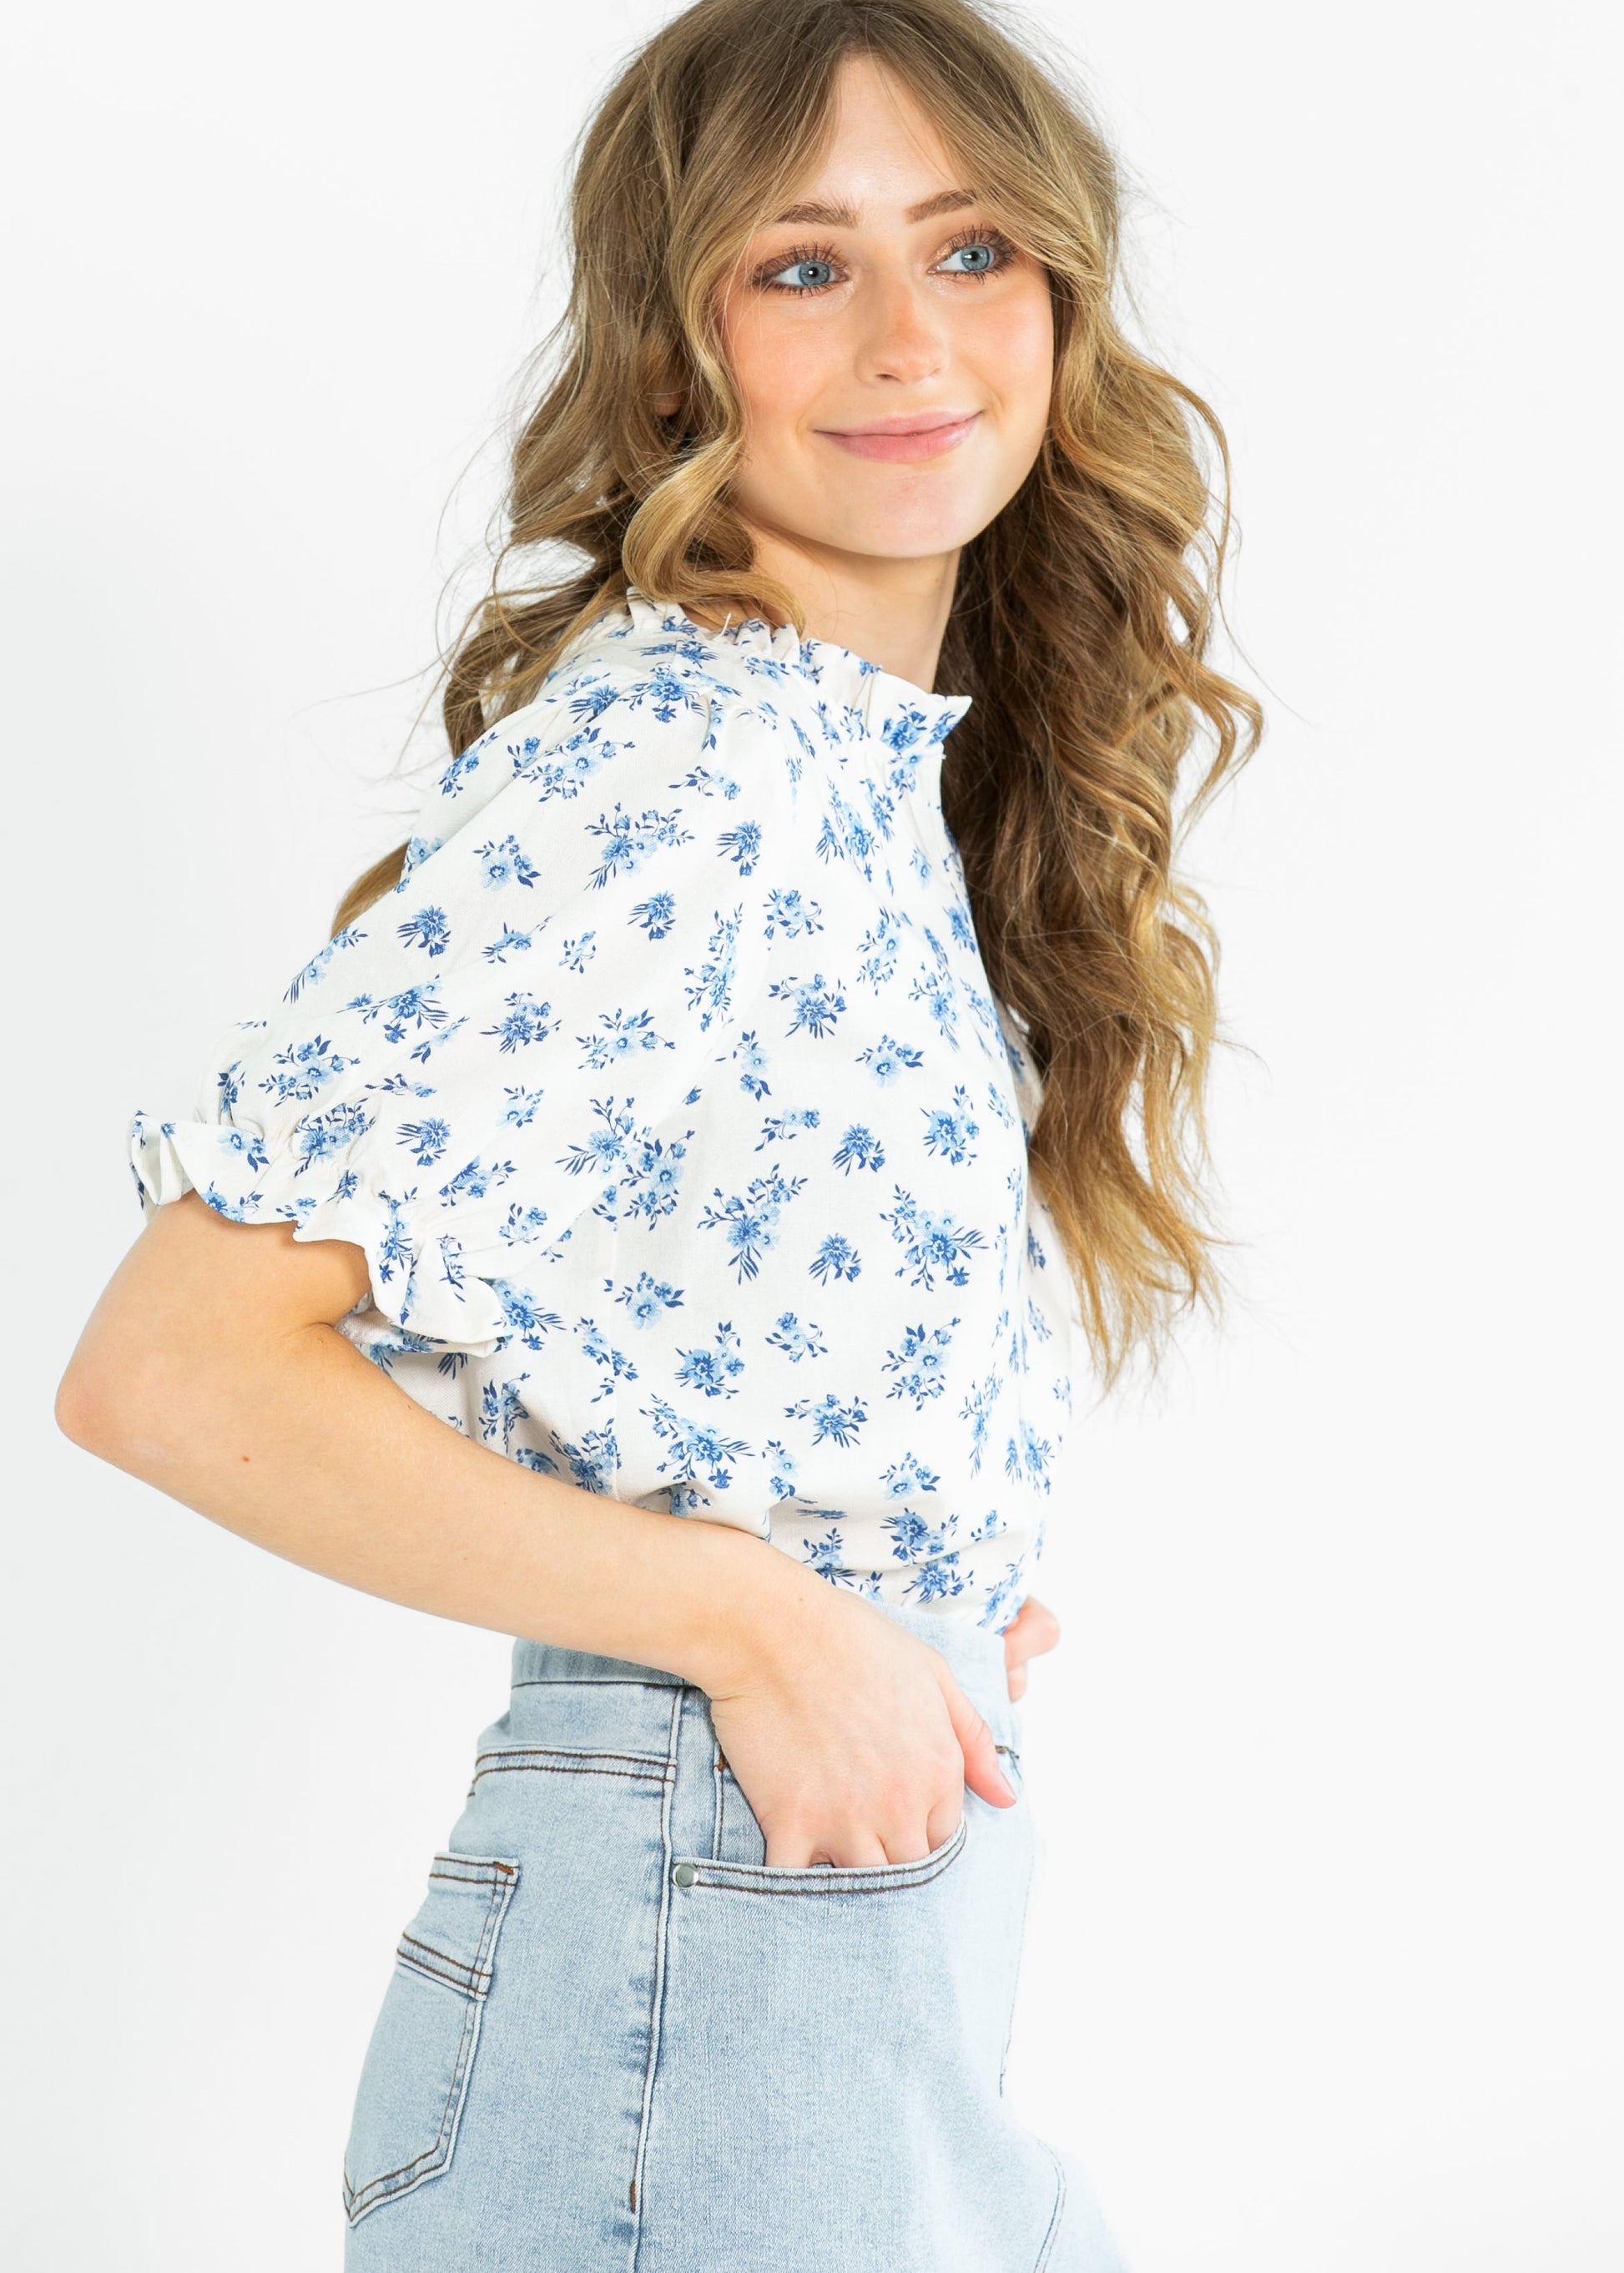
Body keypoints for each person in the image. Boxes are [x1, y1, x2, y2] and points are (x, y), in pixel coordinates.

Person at [57, 1, 1258, 2265]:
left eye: (973, 249)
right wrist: (764, 1620)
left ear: (1063, 301)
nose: (909, 335)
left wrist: (899, 1588)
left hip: (796, 1926)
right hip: (708, 1950)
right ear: (666, 350)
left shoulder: (847, 765)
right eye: (802, 263)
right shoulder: (683, 770)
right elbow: (172, 1369)